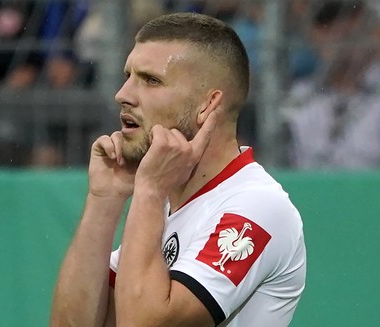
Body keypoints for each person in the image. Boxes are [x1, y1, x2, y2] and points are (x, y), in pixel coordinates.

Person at [51, 12, 306, 326]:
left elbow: (143, 323)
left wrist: (149, 191)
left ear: (207, 105)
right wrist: (104, 199)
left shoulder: (256, 208)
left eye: (151, 80)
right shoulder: (171, 206)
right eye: (128, 75)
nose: (123, 94)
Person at [282, 0, 380, 169]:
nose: (339, 30)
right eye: (326, 21)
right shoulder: (297, 98)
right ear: (312, 34)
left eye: (351, 17)